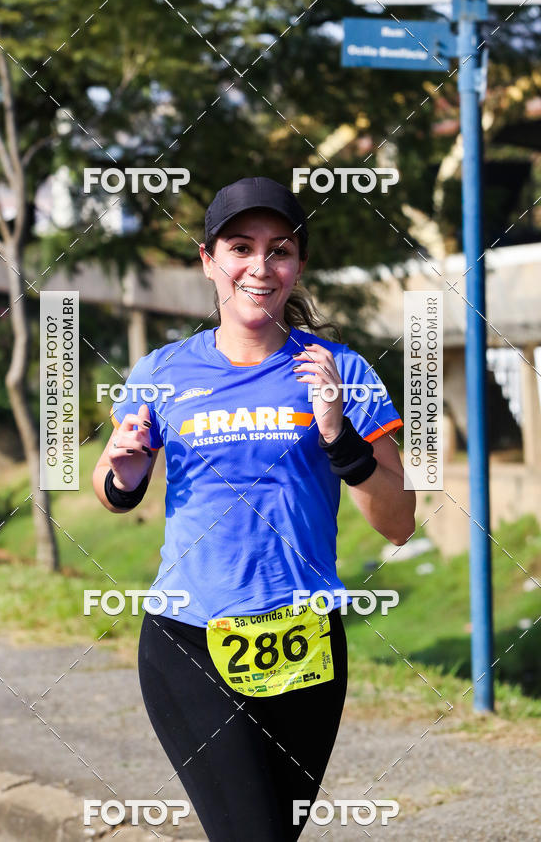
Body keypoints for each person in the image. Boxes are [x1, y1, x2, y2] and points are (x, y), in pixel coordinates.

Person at [92, 176, 416, 841]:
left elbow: (399, 521)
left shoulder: (341, 371)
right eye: (241, 247)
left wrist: (338, 435)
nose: (260, 267)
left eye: (281, 250)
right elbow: (111, 482)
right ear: (209, 260)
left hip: (306, 644)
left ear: (298, 266)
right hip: (191, 641)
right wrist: (122, 475)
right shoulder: (161, 371)